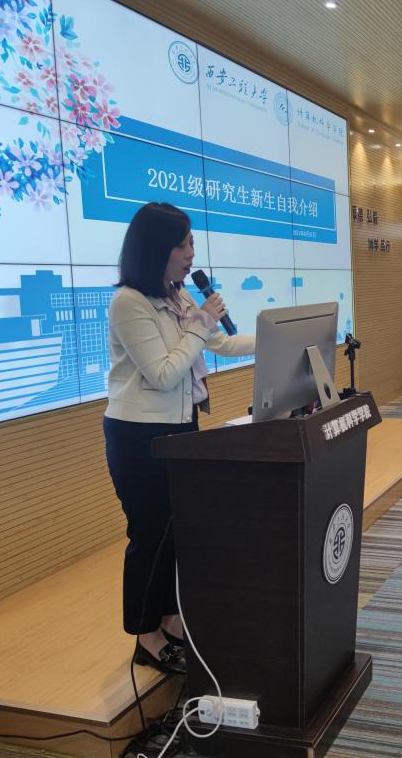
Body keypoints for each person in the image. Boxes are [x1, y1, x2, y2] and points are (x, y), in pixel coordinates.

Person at [104, 202, 255, 675]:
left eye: (191, 244)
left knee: (179, 533)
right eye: (184, 245)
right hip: (139, 436)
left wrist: (278, 334)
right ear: (158, 248)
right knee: (149, 535)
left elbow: (220, 344)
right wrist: (201, 323)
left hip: (181, 426)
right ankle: (144, 636)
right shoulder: (129, 302)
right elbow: (165, 373)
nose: (192, 254)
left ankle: (170, 620)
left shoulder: (177, 295)